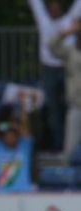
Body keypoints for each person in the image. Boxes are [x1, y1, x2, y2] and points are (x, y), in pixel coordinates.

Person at [28, 0, 81, 151]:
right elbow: (35, 3)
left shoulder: (69, 20)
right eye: (51, 9)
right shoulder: (43, 19)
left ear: (62, 11)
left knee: (69, 107)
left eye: (57, 9)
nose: (54, 11)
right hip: (49, 69)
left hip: (67, 68)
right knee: (53, 109)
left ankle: (69, 145)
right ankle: (58, 145)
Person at [49, 18, 81, 161]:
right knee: (69, 153)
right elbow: (51, 46)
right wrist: (66, 32)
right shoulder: (70, 52)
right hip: (76, 107)